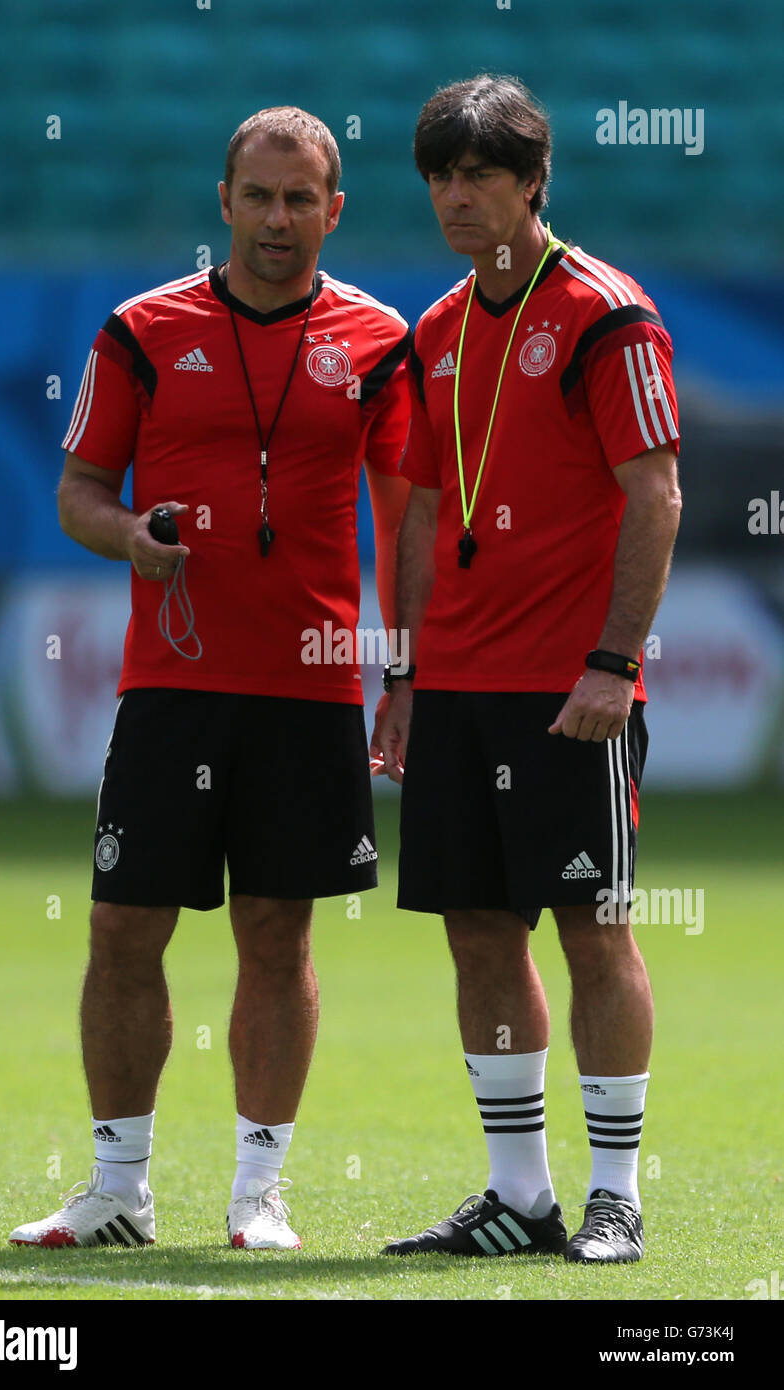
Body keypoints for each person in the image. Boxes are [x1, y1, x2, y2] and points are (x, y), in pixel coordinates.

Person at [8, 107, 411, 1252]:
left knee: (278, 934)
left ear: (334, 210)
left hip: (313, 688)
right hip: (171, 686)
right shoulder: (141, 331)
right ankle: (118, 1190)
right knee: (122, 928)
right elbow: (78, 492)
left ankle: (258, 1195)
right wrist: (130, 535)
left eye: (301, 198)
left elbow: (407, 519)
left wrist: (406, 670)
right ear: (224, 202)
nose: (279, 218)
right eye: (260, 196)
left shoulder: (380, 342)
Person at [374, 75, 681, 1263]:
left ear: (534, 182)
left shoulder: (608, 312)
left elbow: (656, 495)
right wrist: (404, 673)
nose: (458, 196)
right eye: (441, 177)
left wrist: (613, 661)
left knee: (592, 927)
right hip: (455, 683)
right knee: (477, 929)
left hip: (567, 690)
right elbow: (421, 512)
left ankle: (616, 1196)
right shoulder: (436, 330)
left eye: (482, 175)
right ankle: (519, 1195)